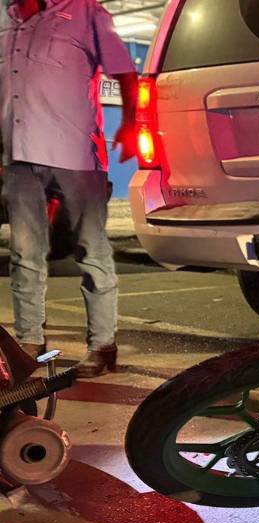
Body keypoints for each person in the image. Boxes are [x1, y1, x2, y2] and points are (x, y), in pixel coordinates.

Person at [0, 0, 137, 378]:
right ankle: (30, 342)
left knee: (91, 252)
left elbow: (125, 72)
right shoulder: (5, 20)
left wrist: (130, 123)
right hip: (19, 157)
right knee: (24, 254)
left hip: (76, 156)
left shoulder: (85, 11)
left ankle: (103, 346)